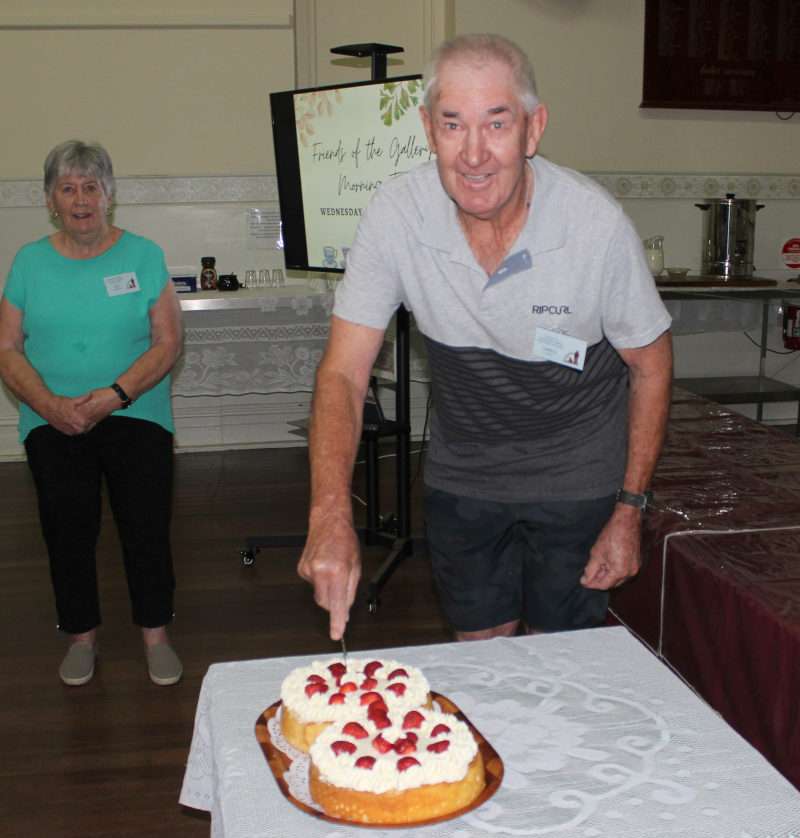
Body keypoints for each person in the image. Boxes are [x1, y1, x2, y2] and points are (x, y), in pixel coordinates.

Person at [298, 34, 673, 642]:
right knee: (481, 661)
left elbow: (651, 365)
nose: (474, 154)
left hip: (576, 476)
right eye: (453, 125)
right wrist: (330, 514)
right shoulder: (396, 214)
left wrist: (630, 509)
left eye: (496, 124)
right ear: (427, 129)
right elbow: (343, 372)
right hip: (464, 476)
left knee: (563, 667)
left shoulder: (594, 225)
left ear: (533, 129)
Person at [0, 140, 184, 685]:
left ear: (109, 195)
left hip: (135, 410)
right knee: (67, 528)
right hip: (51, 417)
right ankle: (81, 636)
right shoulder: (29, 262)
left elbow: (167, 342)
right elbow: (7, 347)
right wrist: (50, 405)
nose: (80, 199)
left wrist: (113, 395)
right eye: (68, 188)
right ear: (51, 200)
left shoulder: (143, 255)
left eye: (90, 187)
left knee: (145, 525)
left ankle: (156, 634)